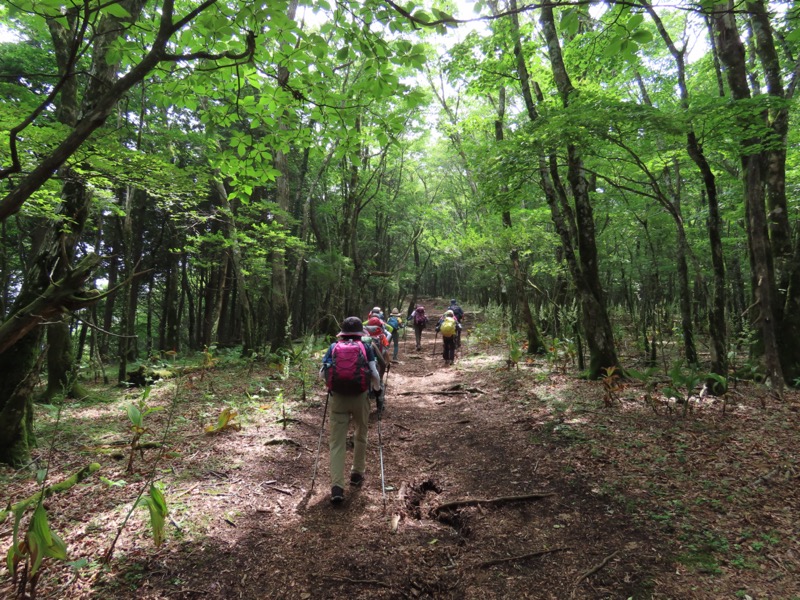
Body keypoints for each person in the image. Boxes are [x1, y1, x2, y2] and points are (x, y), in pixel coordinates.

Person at [320, 317, 382, 504]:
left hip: (338, 399)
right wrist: (377, 392)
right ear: (359, 332)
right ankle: (356, 473)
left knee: (337, 443)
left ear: (343, 332)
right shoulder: (366, 347)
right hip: (360, 397)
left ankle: (337, 487)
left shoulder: (333, 347)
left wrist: (331, 385)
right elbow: (375, 374)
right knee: (360, 433)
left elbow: (322, 373)